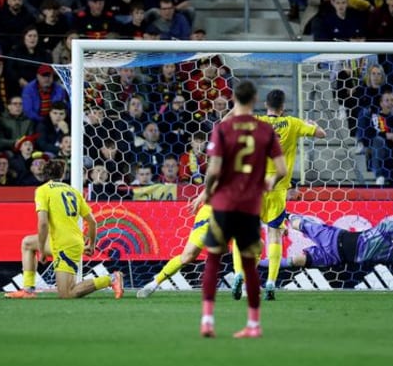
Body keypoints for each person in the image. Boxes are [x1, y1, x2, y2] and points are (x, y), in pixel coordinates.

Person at [192, 80, 286, 339]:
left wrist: (207, 193)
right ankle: (253, 325)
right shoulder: (265, 131)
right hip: (249, 206)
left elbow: (213, 169)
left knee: (213, 259)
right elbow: (282, 170)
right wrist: (267, 184)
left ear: (234, 99)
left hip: (223, 203)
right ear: (255, 100)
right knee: (249, 264)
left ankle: (208, 321)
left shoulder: (223, 128)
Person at [229, 89, 325, 301]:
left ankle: (238, 274)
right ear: (283, 107)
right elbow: (321, 134)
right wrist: (313, 124)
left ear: (266, 104)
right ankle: (271, 282)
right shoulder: (292, 123)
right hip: (278, 190)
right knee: (274, 235)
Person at [4, 160, 124, 299]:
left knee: (67, 293)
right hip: (65, 240)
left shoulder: (43, 190)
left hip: (66, 246)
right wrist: (91, 244)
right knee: (28, 243)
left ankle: (111, 279)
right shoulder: (73, 191)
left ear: (44, 174)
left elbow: (43, 224)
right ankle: (28, 290)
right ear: (62, 174)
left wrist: (42, 250)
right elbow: (92, 222)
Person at [137, 203, 214, 298]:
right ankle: (154, 283)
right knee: (188, 257)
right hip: (212, 212)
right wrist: (200, 198)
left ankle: (237, 274)